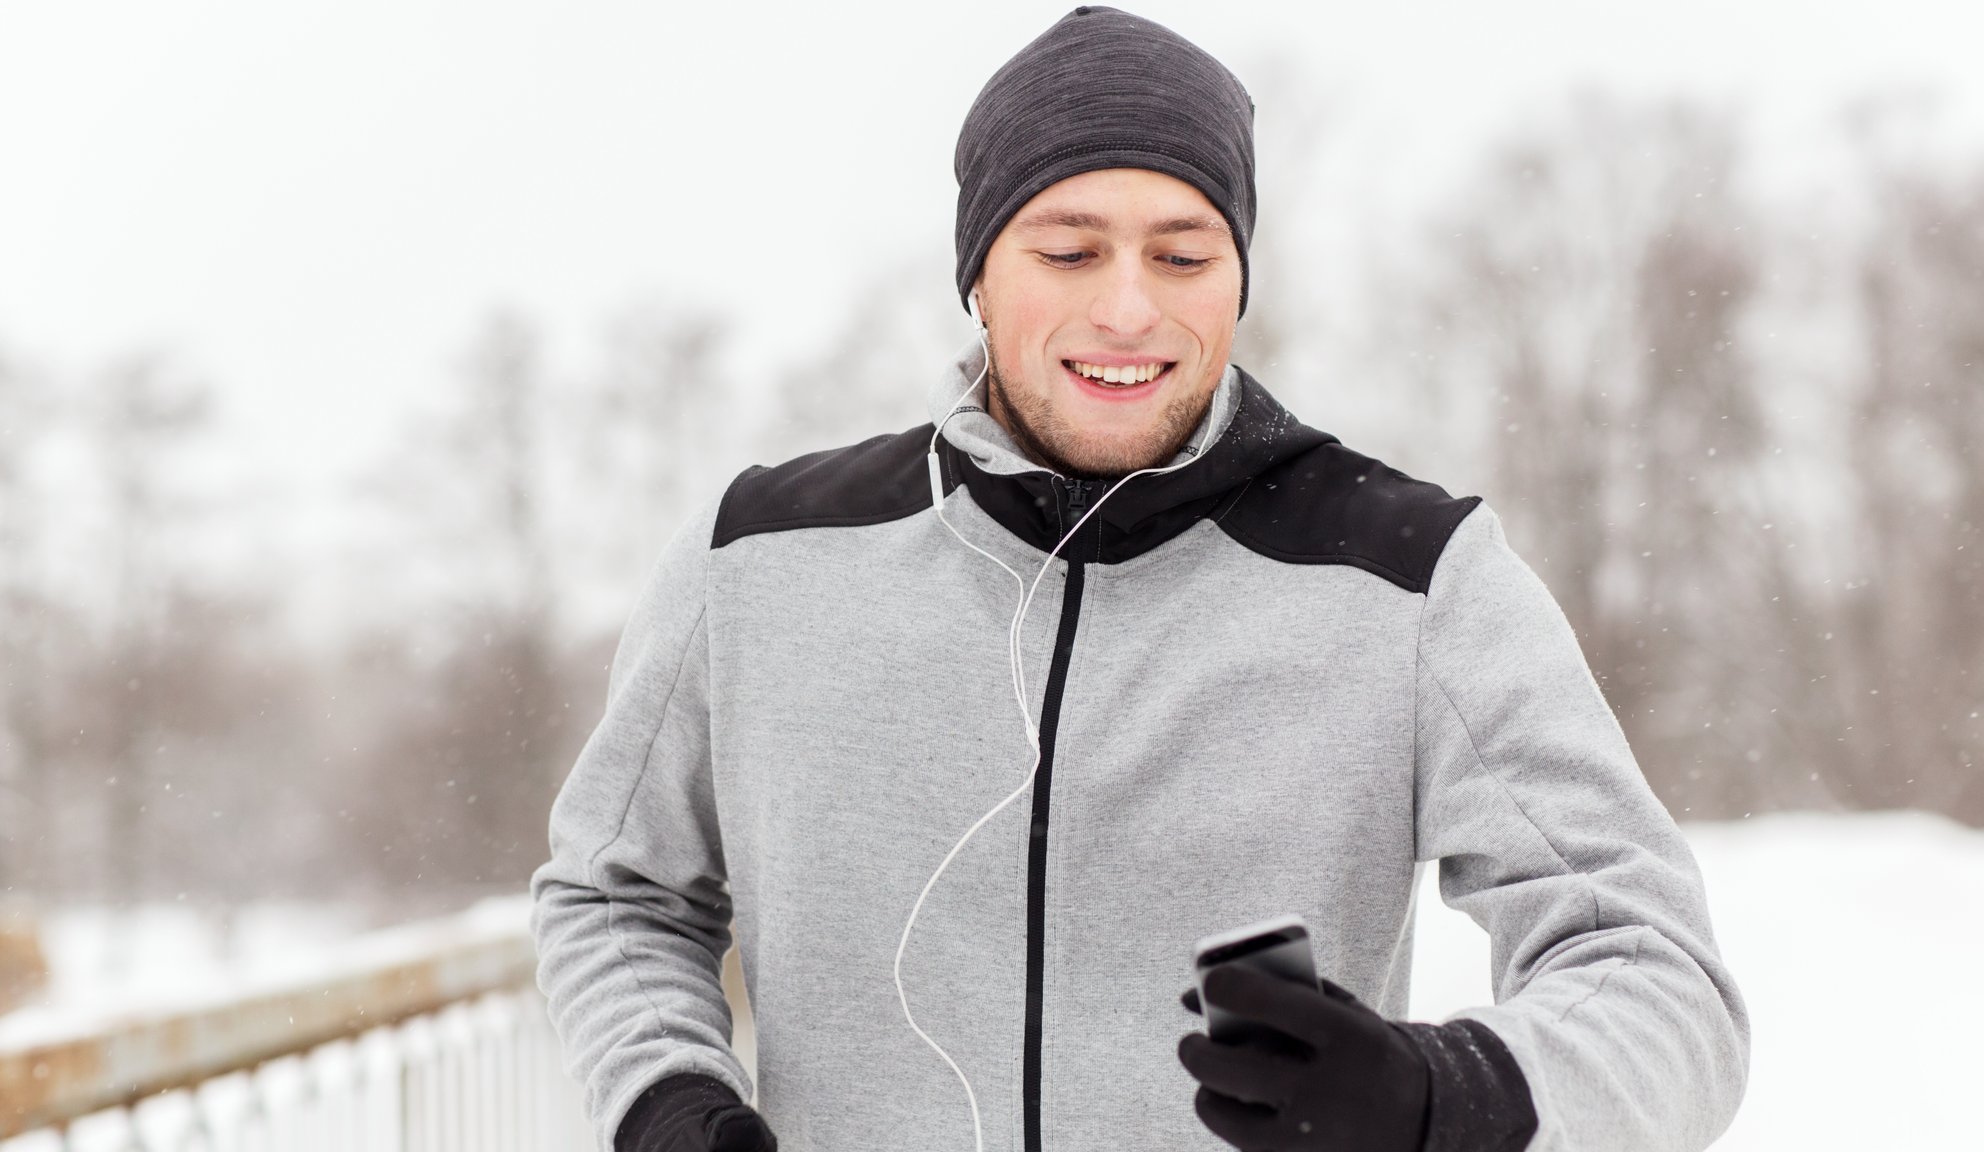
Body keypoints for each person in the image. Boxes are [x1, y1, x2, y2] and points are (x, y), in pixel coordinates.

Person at [529, 7, 1750, 1151]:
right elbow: (614, 896)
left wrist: (1441, 1097)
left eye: (1182, 255)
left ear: (1236, 279)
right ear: (980, 275)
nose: (1127, 309)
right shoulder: (756, 560)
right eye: (1067, 249)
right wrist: (666, 1103)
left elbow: (1662, 983)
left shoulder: (1414, 581)